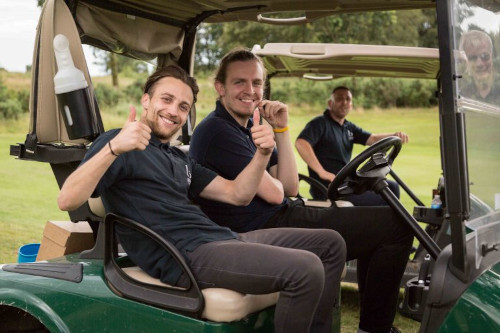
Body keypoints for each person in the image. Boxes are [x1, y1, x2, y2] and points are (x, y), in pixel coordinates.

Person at [57, 65, 346, 333]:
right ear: (146, 100)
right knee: (305, 269)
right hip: (185, 254)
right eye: (166, 99)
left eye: (183, 106)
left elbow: (238, 194)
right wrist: (114, 148)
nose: (174, 111)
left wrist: (262, 154)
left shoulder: (178, 158)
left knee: (331, 244)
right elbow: (68, 199)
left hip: (220, 239)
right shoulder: (120, 142)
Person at [190, 48, 413, 333]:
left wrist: (281, 130)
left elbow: (290, 185)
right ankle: (374, 328)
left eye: (257, 83)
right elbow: (277, 194)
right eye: (239, 82)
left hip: (283, 214)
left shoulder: (248, 127)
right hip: (262, 227)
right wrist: (268, 148)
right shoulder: (217, 131)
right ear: (220, 87)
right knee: (397, 226)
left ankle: (372, 326)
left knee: (389, 221)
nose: (251, 90)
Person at [295, 86, 408, 205]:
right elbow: (301, 143)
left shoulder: (348, 127)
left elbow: (372, 138)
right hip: (331, 189)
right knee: (387, 196)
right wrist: (321, 171)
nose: (344, 102)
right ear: (330, 103)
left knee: (393, 187)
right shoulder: (320, 123)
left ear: (351, 104)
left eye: (348, 99)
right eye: (339, 99)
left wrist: (395, 135)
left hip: (347, 185)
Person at [459, 30, 500, 105]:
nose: (479, 64)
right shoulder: (463, 95)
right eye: (472, 58)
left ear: (492, 57)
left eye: (484, 56)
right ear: (466, 63)